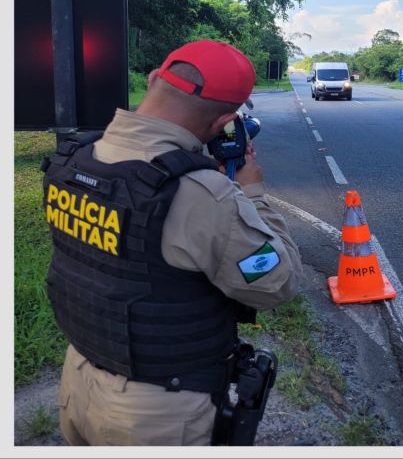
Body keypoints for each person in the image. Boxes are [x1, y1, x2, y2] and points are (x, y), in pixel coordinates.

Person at [41, 39, 301, 445]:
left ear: (153, 79)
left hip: (77, 380)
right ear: (225, 122)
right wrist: (252, 195)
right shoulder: (203, 195)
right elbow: (277, 284)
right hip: (156, 415)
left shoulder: (73, 159)